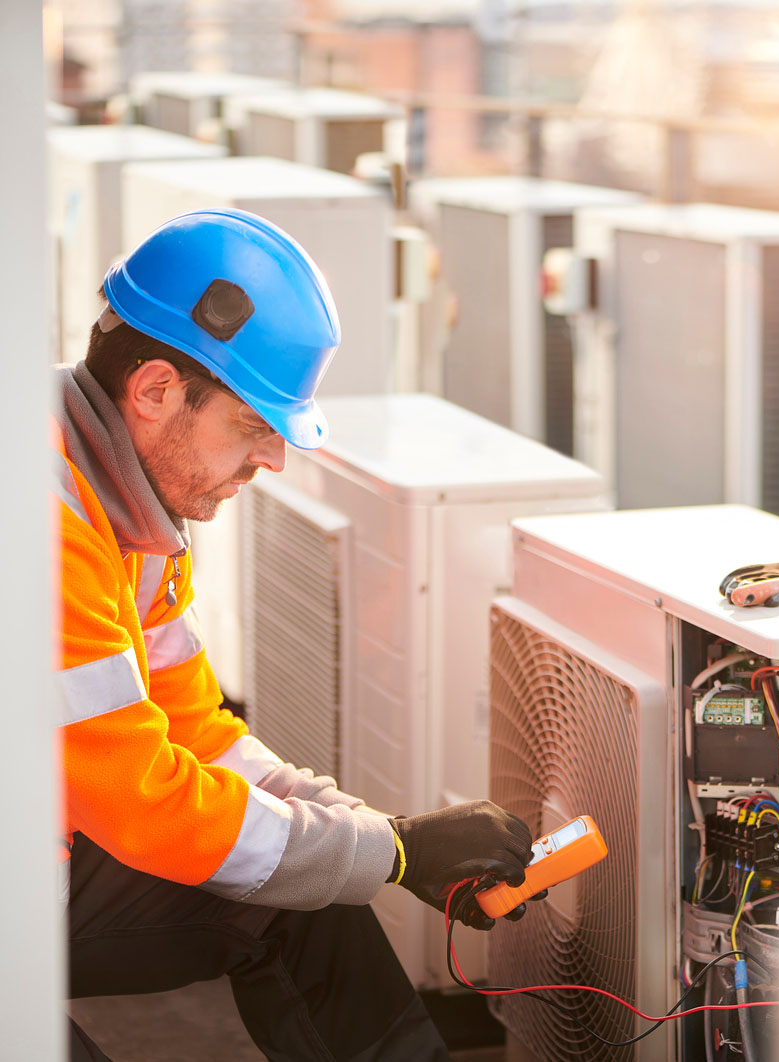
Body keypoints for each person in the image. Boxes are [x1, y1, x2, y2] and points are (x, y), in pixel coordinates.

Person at [54, 208, 536, 1062]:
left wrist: (380, 833)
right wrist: (394, 853)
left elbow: (198, 735)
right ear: (156, 391)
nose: (273, 459)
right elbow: (144, 799)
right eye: (253, 426)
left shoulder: (127, 511)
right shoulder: (43, 519)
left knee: (304, 892)